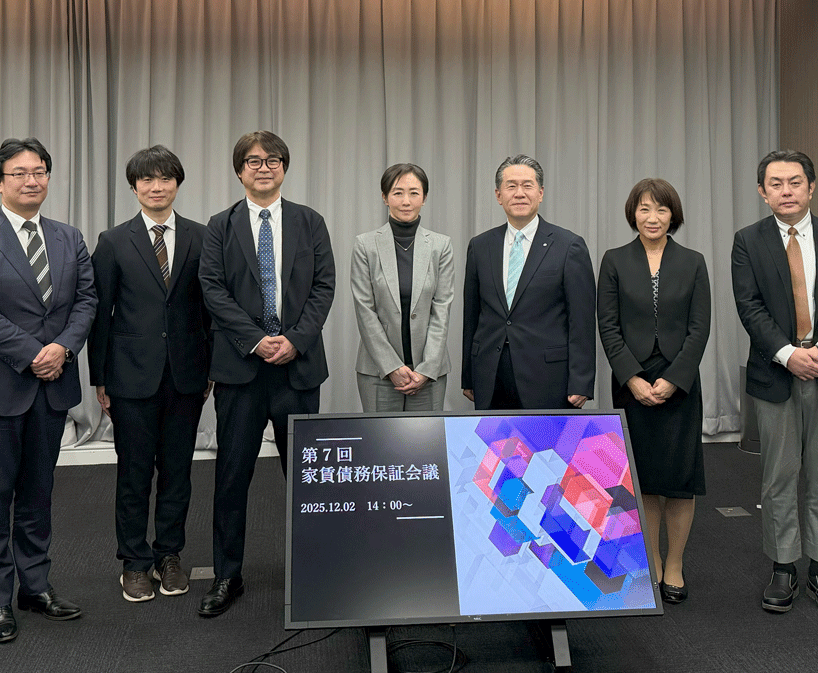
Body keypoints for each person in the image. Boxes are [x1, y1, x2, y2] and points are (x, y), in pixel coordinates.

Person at [0, 137, 97, 642]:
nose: (31, 180)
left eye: (39, 172)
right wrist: (34, 353)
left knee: (38, 495)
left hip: (51, 387)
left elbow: (86, 300)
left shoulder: (69, 237)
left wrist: (62, 349)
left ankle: (35, 587)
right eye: (19, 173)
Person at [197, 130, 335, 617]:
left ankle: (315, 573)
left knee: (306, 480)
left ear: (284, 168)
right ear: (239, 171)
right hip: (241, 370)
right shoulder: (220, 226)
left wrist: (294, 340)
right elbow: (212, 288)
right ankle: (226, 575)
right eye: (253, 161)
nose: (263, 167)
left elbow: (324, 287)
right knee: (232, 477)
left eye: (273, 160)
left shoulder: (310, 222)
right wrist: (256, 340)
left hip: (297, 369)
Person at [732, 150, 818, 617]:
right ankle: (783, 566)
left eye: (795, 182)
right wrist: (789, 354)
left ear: (811, 187)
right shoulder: (748, 241)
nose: (786, 191)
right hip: (776, 372)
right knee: (778, 476)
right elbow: (749, 306)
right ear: (762, 192)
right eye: (775, 183)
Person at [87, 146, 211, 603]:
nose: (156, 187)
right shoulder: (113, 241)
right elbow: (100, 313)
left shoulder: (201, 237)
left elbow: (209, 309)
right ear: (134, 187)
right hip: (129, 376)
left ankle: (169, 555)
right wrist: (99, 377)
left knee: (178, 472)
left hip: (187, 374)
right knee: (134, 473)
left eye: (165, 179)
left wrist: (210, 368)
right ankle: (134, 562)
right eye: (147, 180)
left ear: (177, 184)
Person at [596, 178, 710, 604]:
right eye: (644, 208)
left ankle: (675, 563)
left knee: (679, 480)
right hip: (633, 381)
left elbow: (699, 328)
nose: (652, 217)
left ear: (672, 215)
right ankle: (652, 561)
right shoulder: (614, 260)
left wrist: (675, 379)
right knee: (641, 478)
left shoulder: (693, 262)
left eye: (661, 209)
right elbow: (608, 326)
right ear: (634, 213)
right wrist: (631, 377)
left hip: (680, 382)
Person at [461, 154, 596, 410]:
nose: (519, 193)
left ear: (541, 193)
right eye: (511, 186)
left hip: (548, 378)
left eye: (527, 185)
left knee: (544, 439)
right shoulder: (480, 246)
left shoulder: (568, 246)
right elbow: (472, 316)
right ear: (498, 195)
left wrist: (581, 381)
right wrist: (468, 375)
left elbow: (582, 321)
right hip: (491, 375)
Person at [351, 163, 454, 411]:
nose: (406, 201)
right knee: (379, 436)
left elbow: (441, 310)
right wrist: (392, 367)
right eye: (398, 193)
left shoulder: (441, 246)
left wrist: (427, 369)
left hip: (429, 373)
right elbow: (365, 311)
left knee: (426, 437)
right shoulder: (365, 245)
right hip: (378, 372)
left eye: (414, 193)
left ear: (424, 198)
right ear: (385, 197)